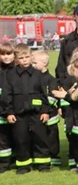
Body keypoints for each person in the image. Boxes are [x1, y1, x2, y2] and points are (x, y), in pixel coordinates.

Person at [4, 44, 50, 174]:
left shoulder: (38, 74)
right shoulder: (10, 75)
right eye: (21, 58)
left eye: (27, 57)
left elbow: (43, 94)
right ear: (16, 59)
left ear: (31, 57)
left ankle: (43, 164)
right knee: (21, 139)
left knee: (40, 138)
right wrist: (9, 112)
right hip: (19, 115)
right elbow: (7, 95)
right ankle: (23, 165)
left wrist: (45, 111)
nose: (24, 60)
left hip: (36, 113)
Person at [31, 50, 65, 169]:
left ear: (44, 63)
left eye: (35, 62)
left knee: (52, 137)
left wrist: (40, 104)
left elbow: (52, 97)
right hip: (37, 114)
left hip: (51, 116)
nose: (32, 65)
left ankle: (54, 157)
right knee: (39, 137)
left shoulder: (51, 80)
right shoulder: (33, 78)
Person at [0, 42, 12, 172]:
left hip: (14, 108)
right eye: (2, 54)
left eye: (8, 54)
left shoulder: (16, 70)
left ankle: (14, 159)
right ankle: (4, 163)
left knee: (16, 135)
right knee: (2, 138)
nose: (6, 57)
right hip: (1, 109)